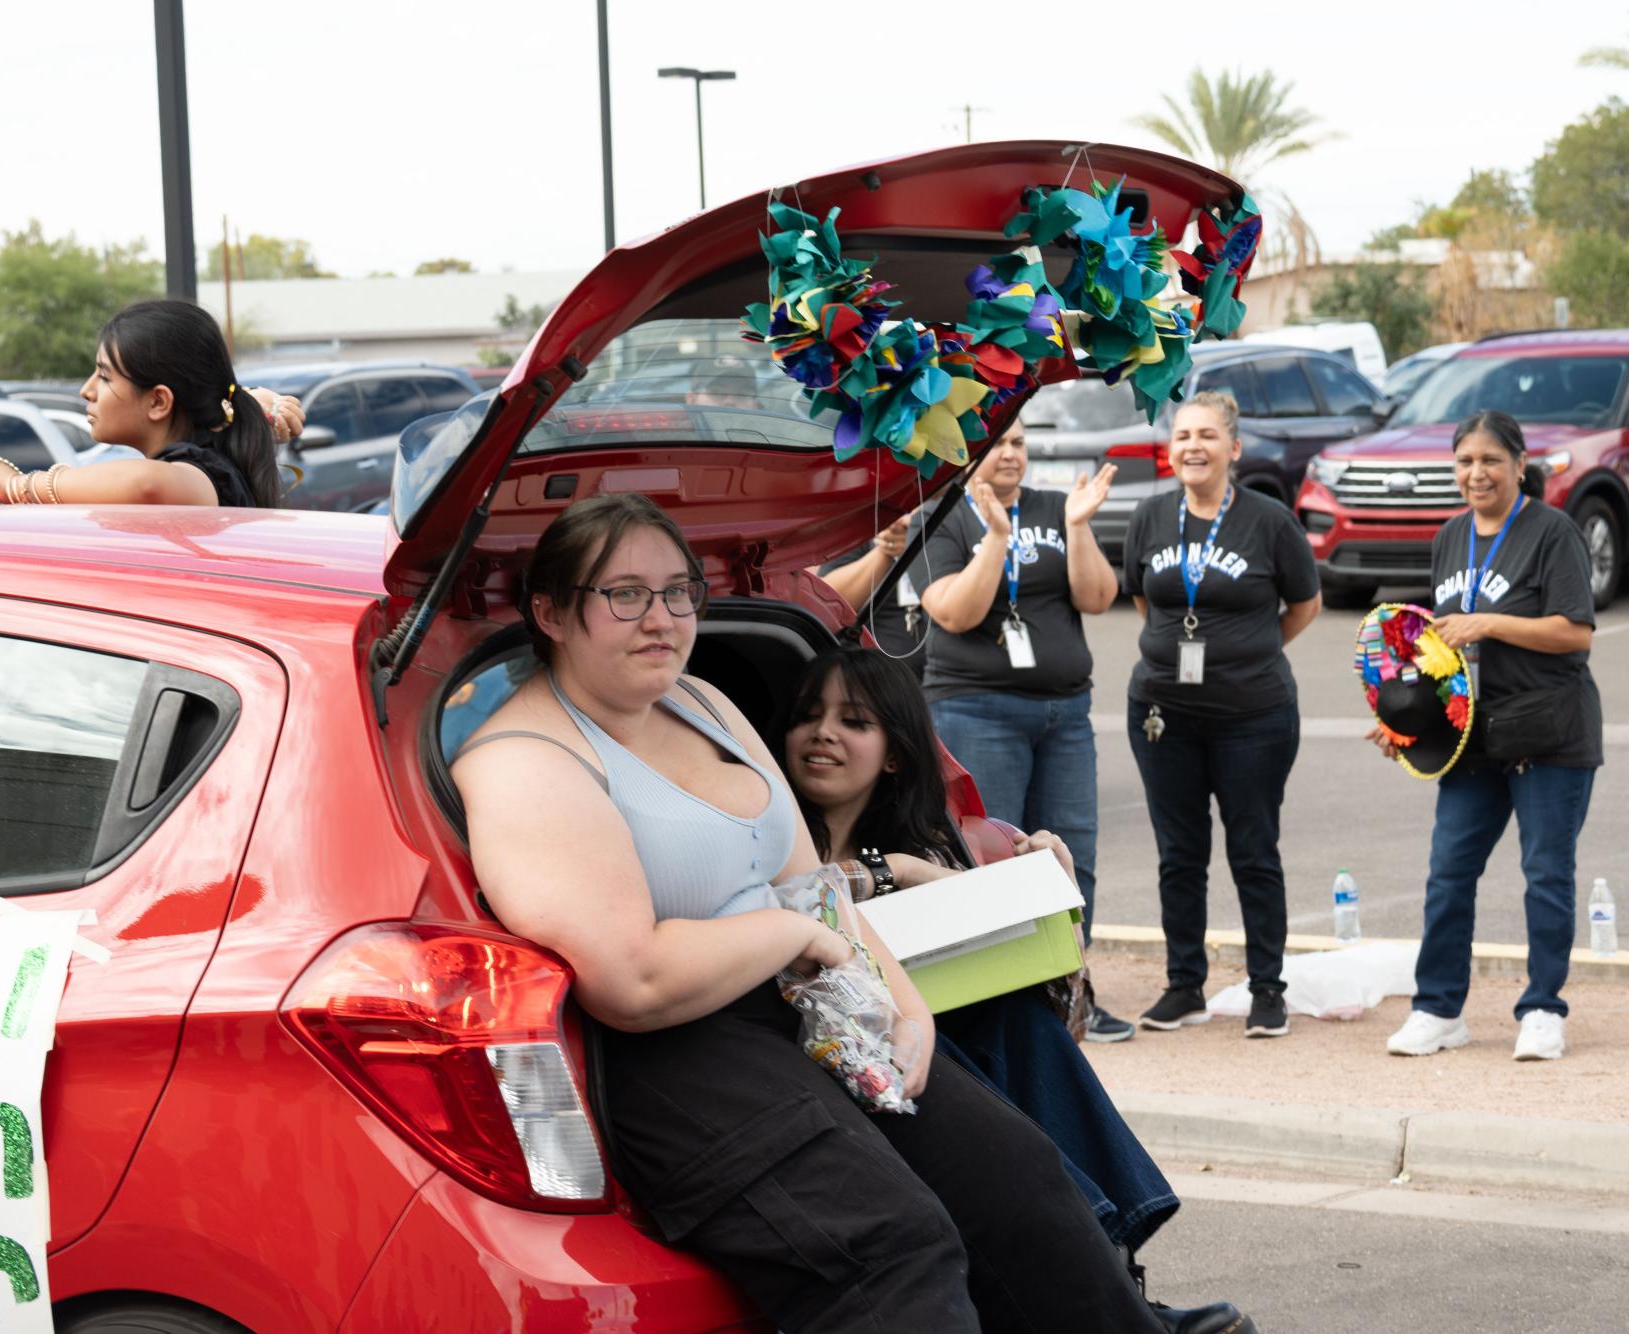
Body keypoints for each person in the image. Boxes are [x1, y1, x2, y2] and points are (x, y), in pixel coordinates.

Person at [449, 492, 1168, 1333]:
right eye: (624, 594)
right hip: (678, 1055)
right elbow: (633, 982)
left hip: (810, 1001)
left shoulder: (702, 703)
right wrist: (794, 935)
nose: (661, 618)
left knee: (1021, 1181)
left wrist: (905, 1008)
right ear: (551, 612)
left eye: (678, 591)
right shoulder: (524, 760)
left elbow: (809, 881)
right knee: (890, 1249)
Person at [779, 645, 1254, 1334]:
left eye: (852, 720)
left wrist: (1043, 894)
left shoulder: (939, 844)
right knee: (952, 1057)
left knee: (1015, 1023)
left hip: (916, 1052)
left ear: (892, 754)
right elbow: (807, 893)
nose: (822, 732)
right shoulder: (770, 833)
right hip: (819, 1059)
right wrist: (897, 872)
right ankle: (1111, 1301)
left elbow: (1071, 1017)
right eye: (806, 716)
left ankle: (1115, 1281)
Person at [1381, 410, 1602, 1062]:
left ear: (1518, 464)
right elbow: (1438, 648)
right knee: (1447, 876)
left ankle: (1541, 1009)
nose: (1475, 473)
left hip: (1547, 736)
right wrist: (1401, 719)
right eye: (1464, 461)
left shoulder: (1551, 532)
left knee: (1544, 875)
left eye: (1489, 461)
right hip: (1468, 738)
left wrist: (1489, 624)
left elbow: (1574, 632)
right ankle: (1438, 1008)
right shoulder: (1450, 536)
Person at [916, 416, 1135, 1041]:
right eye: (996, 444)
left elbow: (1097, 598)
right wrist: (996, 539)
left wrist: (1077, 525)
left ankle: (1073, 993)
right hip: (977, 709)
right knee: (991, 856)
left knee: (1072, 854)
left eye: (1017, 443)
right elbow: (956, 612)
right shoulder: (945, 516)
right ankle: (1004, 1005)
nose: (1009, 454)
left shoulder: (1056, 506)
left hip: (1063, 713)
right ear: (968, 450)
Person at [1121, 391, 1321, 1040]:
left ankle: (1267, 988)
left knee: (1253, 851)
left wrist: (1246, 657)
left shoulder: (1269, 522)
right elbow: (1142, 601)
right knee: (1179, 854)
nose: (1192, 447)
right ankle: (1184, 986)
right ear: (1168, 448)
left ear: (1233, 448)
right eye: (1182, 436)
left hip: (1252, 716)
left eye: (1207, 436)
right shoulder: (1150, 516)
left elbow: (1303, 605)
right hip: (1161, 714)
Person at [0, 299, 287, 508]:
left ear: (158, 401)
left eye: (104, 377)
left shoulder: (201, 478)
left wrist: (14, 485)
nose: (86, 390)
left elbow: (144, 484)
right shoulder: (204, 469)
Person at [818, 508, 932, 678]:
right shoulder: (870, 512)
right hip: (881, 680)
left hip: (961, 679)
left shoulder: (964, 508)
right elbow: (827, 601)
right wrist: (886, 549)